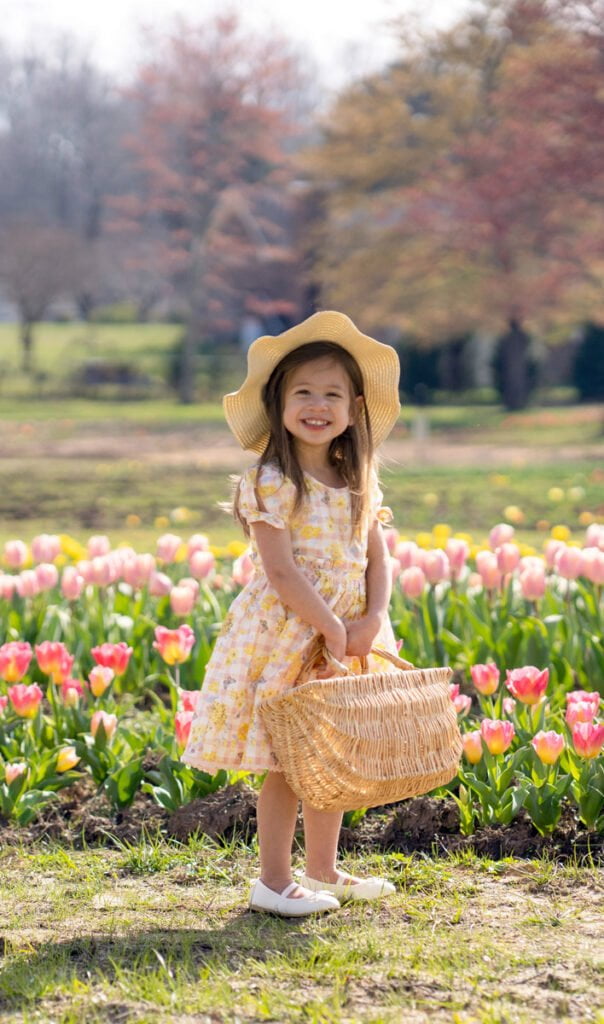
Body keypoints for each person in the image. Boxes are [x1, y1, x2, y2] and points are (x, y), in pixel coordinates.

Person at [182, 310, 401, 917]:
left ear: (353, 409)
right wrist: (330, 627)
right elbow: (279, 571)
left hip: (349, 633)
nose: (317, 405)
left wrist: (371, 619)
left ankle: (323, 868)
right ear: (279, 403)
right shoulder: (273, 480)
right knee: (286, 760)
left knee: (328, 752)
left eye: (332, 394)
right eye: (303, 392)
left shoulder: (358, 478)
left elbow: (377, 557)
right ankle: (272, 880)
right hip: (290, 631)